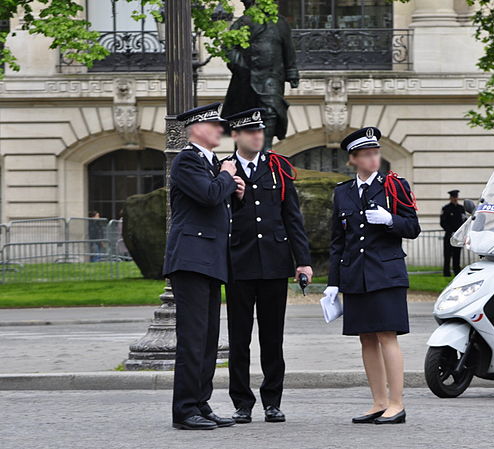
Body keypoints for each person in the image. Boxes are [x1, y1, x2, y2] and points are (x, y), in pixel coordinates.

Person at [222, 108, 313, 424]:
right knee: (239, 339)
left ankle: (272, 401)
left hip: (274, 262)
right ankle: (242, 402)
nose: (257, 136)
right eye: (251, 132)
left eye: (260, 131)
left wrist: (302, 261)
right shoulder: (223, 170)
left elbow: (293, 218)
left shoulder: (278, 169)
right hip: (239, 263)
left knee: (273, 338)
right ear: (236, 136)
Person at [324, 127, 421, 424]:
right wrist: (332, 282)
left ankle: (397, 402)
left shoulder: (394, 186)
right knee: (366, 338)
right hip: (356, 274)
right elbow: (338, 241)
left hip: (386, 273)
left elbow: (413, 227)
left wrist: (391, 219)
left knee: (386, 335)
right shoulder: (343, 192)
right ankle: (379, 401)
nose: (373, 159)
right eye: (366, 154)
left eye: (375, 152)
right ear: (352, 159)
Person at [162, 102, 246, 430]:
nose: (220, 130)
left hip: (210, 259)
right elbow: (209, 196)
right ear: (196, 129)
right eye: (214, 125)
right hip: (191, 259)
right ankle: (184, 409)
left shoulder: (210, 163)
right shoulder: (187, 160)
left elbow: (217, 203)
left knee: (209, 338)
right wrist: (226, 179)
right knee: (193, 338)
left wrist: (233, 191)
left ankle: (201, 402)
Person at [223, 0, 299, 150]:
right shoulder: (242, 23)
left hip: (271, 76)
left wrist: (292, 72)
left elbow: (288, 49)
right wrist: (242, 66)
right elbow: (228, 47)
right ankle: (243, 155)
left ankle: (266, 151)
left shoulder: (279, 22)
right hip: (246, 79)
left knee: (270, 111)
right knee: (244, 115)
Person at [440, 190, 465, 276]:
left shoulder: (461, 209)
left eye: (456, 197)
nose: (455, 199)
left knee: (457, 255)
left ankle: (456, 271)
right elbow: (443, 222)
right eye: (453, 197)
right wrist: (450, 231)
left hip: (458, 236)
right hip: (449, 235)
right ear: (450, 198)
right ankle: (446, 272)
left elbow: (464, 221)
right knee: (447, 255)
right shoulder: (446, 209)